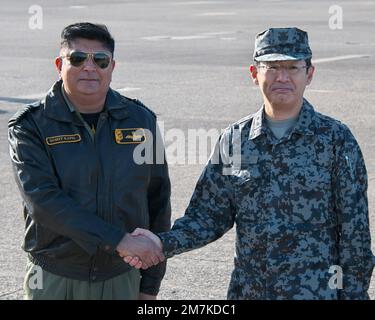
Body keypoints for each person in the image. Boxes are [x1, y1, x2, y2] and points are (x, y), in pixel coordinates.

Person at [124, 27, 375, 299]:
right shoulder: (236, 139)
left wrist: (354, 295)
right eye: (272, 66)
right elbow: (208, 216)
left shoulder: (335, 140)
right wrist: (161, 242)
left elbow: (355, 235)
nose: (282, 76)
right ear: (255, 74)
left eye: (292, 67)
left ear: (309, 74)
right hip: (251, 293)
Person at [8, 22, 171, 300]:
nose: (89, 67)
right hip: (53, 278)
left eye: (100, 60)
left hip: (121, 276)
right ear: (60, 63)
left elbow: (157, 199)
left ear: (112, 66)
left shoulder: (140, 120)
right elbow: (43, 201)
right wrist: (118, 240)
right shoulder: (31, 126)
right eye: (78, 58)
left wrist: (150, 284)